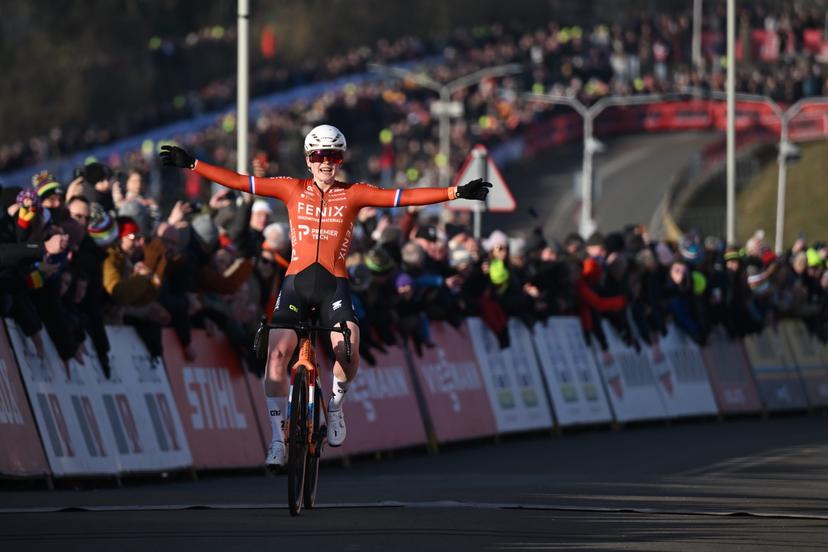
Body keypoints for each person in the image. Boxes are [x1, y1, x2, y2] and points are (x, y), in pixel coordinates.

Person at [160, 124, 491, 468]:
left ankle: (335, 405)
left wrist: (456, 192)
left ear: (341, 159)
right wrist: (193, 164)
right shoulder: (291, 188)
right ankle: (277, 438)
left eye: (333, 156)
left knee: (347, 348)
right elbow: (241, 182)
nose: (326, 163)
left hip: (334, 284)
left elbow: (403, 196)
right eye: (319, 156)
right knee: (275, 359)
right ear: (308, 160)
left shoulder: (354, 193)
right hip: (295, 285)